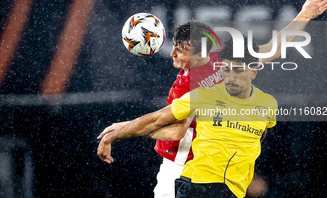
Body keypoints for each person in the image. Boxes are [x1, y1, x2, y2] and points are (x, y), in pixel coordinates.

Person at [97, 0, 327, 197]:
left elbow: (175, 130)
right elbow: (273, 48)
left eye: (179, 50)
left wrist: (127, 130)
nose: (172, 54)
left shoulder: (184, 87)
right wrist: (303, 16)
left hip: (184, 166)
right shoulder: (222, 62)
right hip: (216, 168)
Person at [97, 36, 277, 198]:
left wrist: (304, 14)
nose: (230, 77)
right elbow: (159, 121)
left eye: (238, 70)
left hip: (231, 189)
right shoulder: (199, 94)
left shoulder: (267, 105)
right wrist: (118, 133)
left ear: (253, 71)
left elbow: (254, 138)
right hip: (194, 182)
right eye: (226, 70)